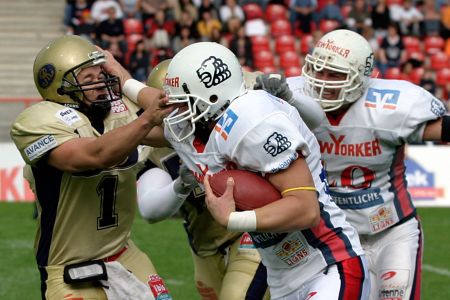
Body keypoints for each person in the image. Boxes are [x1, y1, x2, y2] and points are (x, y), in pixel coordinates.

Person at [160, 41, 370, 299]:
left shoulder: (253, 121)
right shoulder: (213, 131)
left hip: (326, 263)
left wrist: (232, 219)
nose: (177, 112)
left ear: (212, 96)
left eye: (185, 102)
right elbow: (155, 105)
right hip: (282, 278)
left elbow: (306, 209)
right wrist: (122, 78)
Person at [256, 29, 449, 300]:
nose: (322, 81)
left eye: (334, 74)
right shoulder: (291, 96)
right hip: (334, 238)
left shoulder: (389, 105)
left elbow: (444, 129)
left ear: (363, 78)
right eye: (317, 70)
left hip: (390, 231)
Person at [10, 35, 174, 300]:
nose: (102, 83)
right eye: (88, 80)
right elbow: (96, 155)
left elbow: (180, 128)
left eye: (102, 73)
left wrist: (124, 76)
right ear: (60, 88)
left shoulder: (117, 110)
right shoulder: (36, 121)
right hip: (69, 267)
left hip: (125, 254)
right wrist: (145, 119)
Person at [137, 59, 271, 300]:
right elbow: (149, 210)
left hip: (249, 233)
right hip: (204, 246)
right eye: (174, 106)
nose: (183, 114)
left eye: (187, 104)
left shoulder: (232, 128)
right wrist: (181, 184)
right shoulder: (154, 148)